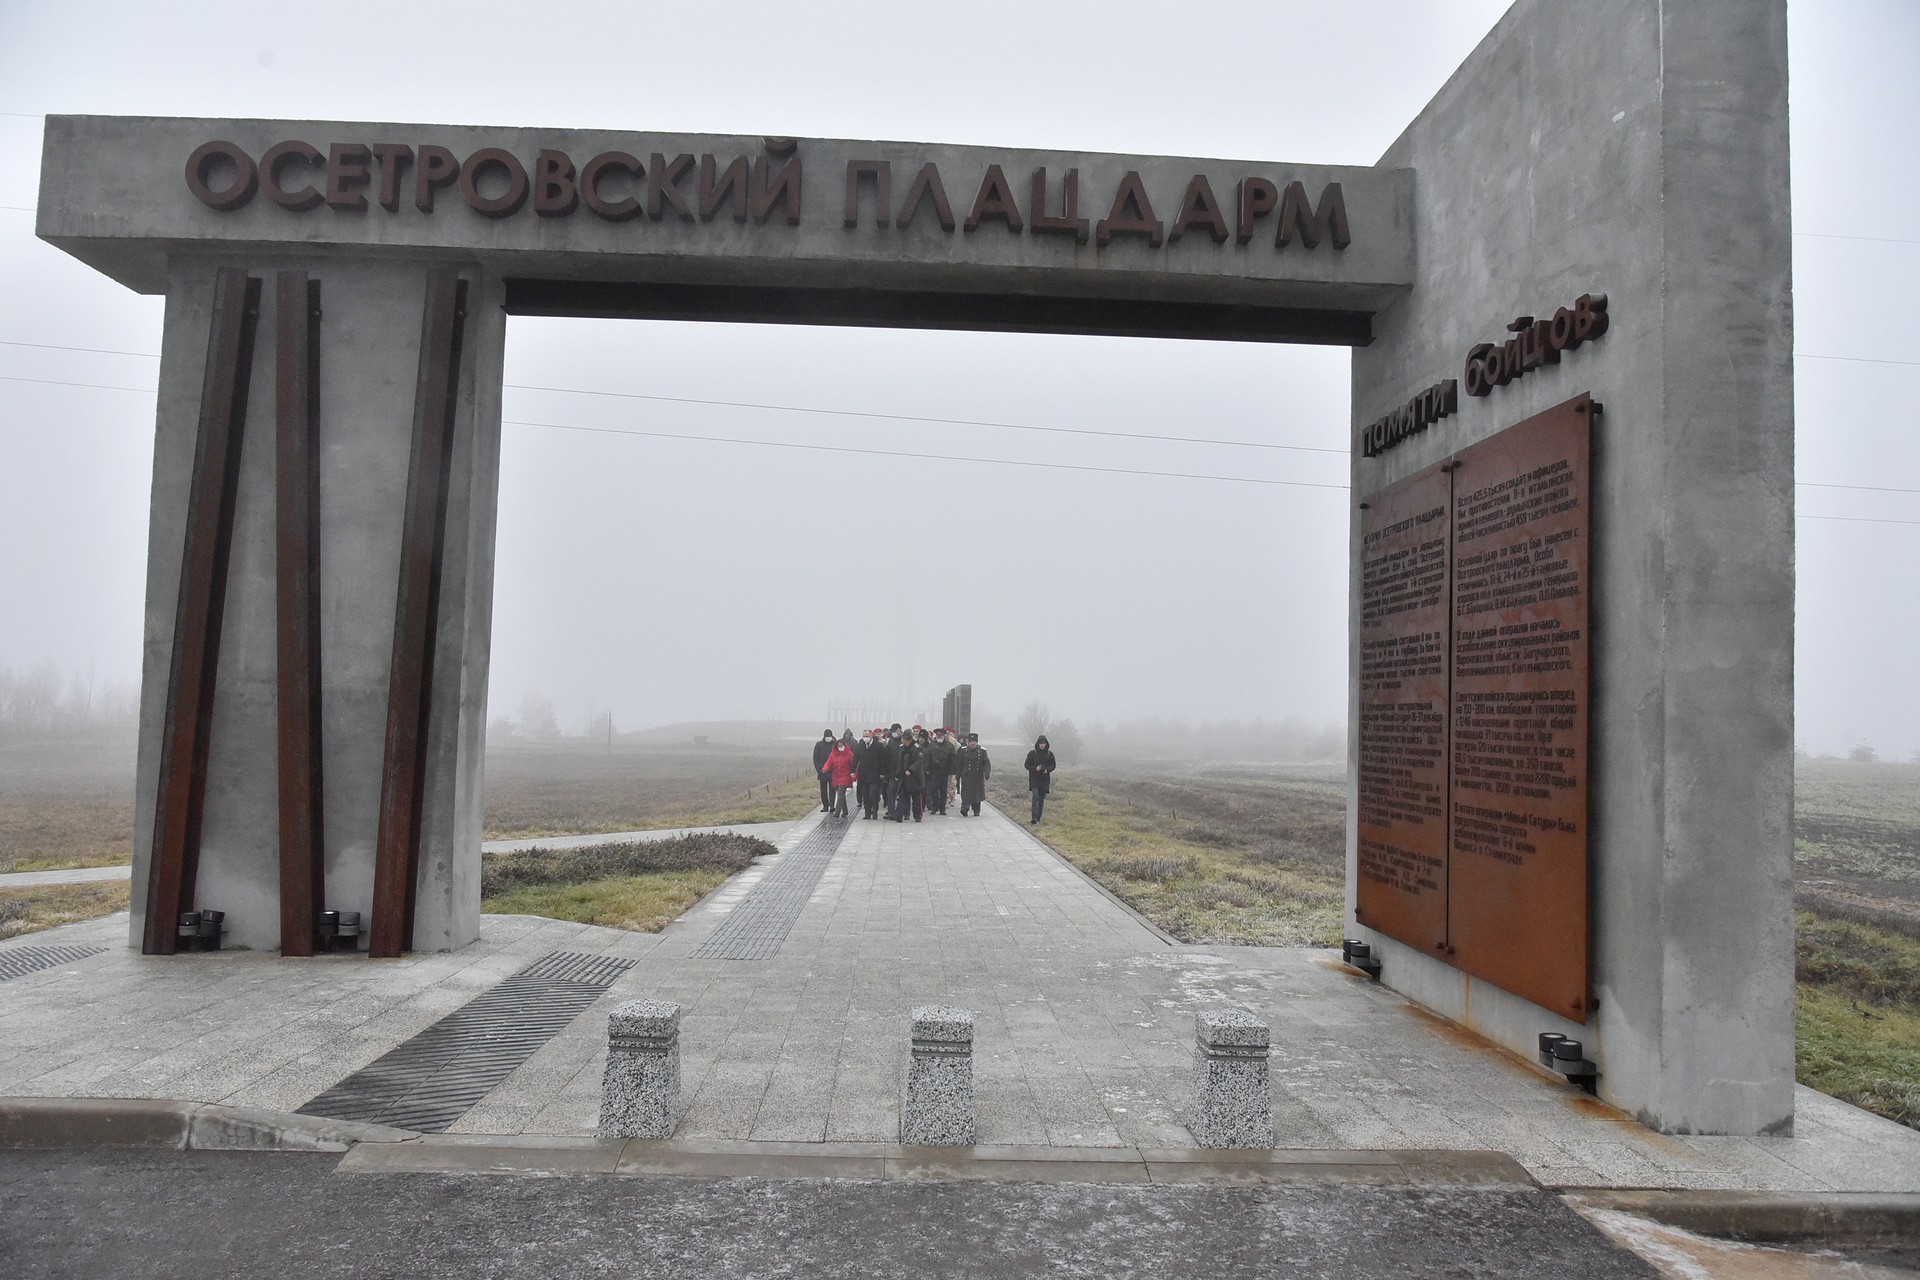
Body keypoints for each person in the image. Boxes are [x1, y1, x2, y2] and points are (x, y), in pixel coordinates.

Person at [819, 732, 857, 818]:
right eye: (838, 745)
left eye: (841, 745)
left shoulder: (849, 754)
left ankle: (837, 812)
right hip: (836, 776)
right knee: (841, 794)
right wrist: (825, 769)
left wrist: (854, 774)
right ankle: (845, 811)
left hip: (845, 776)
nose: (840, 746)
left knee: (840, 794)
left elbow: (853, 765)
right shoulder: (833, 754)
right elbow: (829, 763)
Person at [893, 730, 928, 822]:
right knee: (902, 797)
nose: (901, 741)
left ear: (907, 740)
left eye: (903, 739)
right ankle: (898, 816)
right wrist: (897, 773)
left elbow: (919, 762)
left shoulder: (917, 748)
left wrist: (910, 769)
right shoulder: (902, 749)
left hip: (915, 778)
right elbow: (899, 763)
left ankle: (917, 816)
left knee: (916, 799)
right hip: (904, 778)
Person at [1024, 734, 1057, 824]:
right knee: (1035, 796)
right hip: (1034, 778)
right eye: (1041, 743)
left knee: (1041, 800)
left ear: (1046, 744)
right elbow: (1026, 765)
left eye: (1044, 743)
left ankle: (1038, 818)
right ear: (1038, 744)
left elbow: (1053, 765)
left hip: (1044, 779)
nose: (1042, 745)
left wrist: (1047, 770)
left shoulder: (1050, 754)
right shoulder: (1032, 754)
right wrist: (1035, 768)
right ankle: (1034, 817)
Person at [956, 732, 991, 816]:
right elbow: (959, 763)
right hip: (966, 776)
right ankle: (965, 808)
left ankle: (976, 809)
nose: (972, 743)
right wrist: (957, 775)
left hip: (977, 776)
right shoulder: (963, 750)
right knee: (966, 793)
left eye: (974, 741)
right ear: (968, 742)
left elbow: (986, 763)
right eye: (971, 741)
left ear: (977, 742)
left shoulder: (982, 751)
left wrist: (987, 773)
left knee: (977, 794)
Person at [925, 726, 957, 816]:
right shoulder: (931, 745)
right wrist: (927, 769)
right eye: (938, 735)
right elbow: (927, 757)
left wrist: (952, 770)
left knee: (943, 790)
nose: (939, 736)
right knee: (934, 789)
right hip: (934, 771)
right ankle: (935, 807)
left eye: (941, 735)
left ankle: (942, 808)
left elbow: (953, 759)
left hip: (944, 771)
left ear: (943, 735)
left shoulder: (949, 745)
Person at [812, 729, 836, 813]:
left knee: (832, 790)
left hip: (833, 771)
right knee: (823, 790)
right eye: (827, 736)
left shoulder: (835, 745)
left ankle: (832, 805)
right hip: (822, 771)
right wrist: (818, 769)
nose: (828, 738)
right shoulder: (819, 745)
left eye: (829, 736)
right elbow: (815, 758)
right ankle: (825, 805)